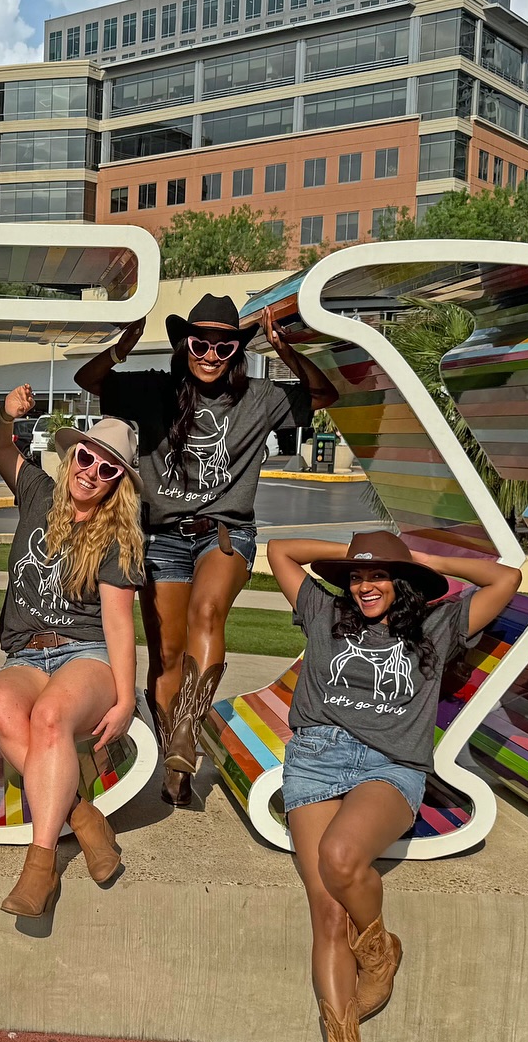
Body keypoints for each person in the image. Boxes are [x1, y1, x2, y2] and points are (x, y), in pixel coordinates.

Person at [267, 531, 520, 1042]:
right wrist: (348, 558)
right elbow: (278, 549)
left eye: (380, 576)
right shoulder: (324, 609)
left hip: (389, 765)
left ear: (403, 581)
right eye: (357, 576)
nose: (365, 585)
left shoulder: (436, 625)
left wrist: (423, 561)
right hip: (315, 757)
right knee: (326, 915)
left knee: (341, 857)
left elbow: (505, 579)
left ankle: (378, 949)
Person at [76, 294, 337, 802]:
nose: (211, 355)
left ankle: (187, 735)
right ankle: (178, 770)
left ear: (238, 351)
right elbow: (90, 383)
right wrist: (119, 349)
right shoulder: (154, 389)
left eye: (224, 346)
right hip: (161, 537)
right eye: (201, 343)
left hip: (224, 531)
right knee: (168, 654)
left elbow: (324, 395)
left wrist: (282, 349)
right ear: (185, 345)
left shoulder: (259, 397)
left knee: (209, 611)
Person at [0, 384, 144, 917]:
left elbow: (120, 624)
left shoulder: (117, 537)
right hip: (28, 654)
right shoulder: (38, 494)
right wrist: (5, 415)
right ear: (72, 454)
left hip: (87, 652)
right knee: (0, 705)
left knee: (50, 716)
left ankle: (41, 863)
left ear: (118, 483)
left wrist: (123, 701)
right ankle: (81, 814)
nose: (91, 471)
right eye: (86, 457)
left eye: (108, 470)